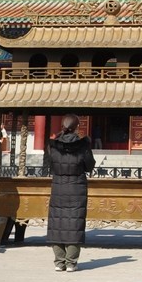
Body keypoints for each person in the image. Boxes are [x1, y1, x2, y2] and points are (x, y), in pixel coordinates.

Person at [46, 114, 96, 272]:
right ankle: (71, 262)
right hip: (77, 187)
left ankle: (59, 262)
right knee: (74, 223)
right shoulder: (83, 146)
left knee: (57, 222)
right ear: (77, 127)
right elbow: (89, 166)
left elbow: (50, 165)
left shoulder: (53, 145)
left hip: (58, 186)